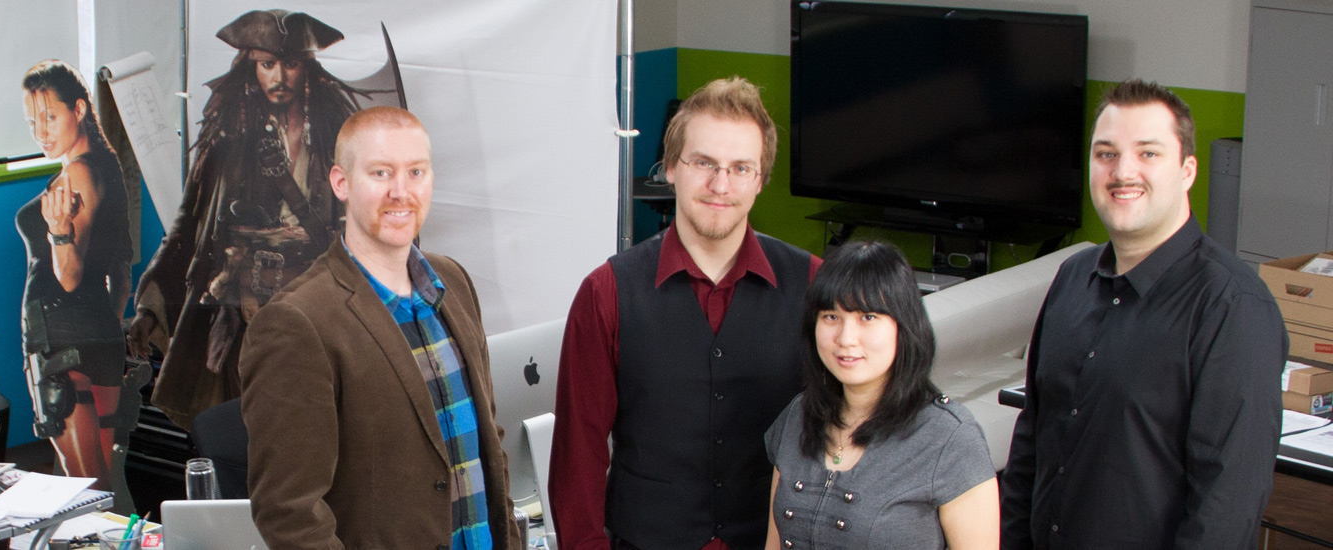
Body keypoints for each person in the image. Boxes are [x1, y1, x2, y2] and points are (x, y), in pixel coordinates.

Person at [1000, 79, 1287, 549]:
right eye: (1106, 154)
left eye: (1148, 153)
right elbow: (1029, 447)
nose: (1122, 171)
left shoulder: (1232, 307)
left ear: (1187, 171)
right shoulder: (1072, 278)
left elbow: (1226, 506)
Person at [550, 76, 823, 550]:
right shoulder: (605, 293)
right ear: (671, 167)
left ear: (760, 180)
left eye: (741, 168)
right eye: (703, 163)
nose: (721, 185)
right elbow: (579, 457)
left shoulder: (815, 285)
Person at [238, 106, 519, 550]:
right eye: (381, 173)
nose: (401, 192)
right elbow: (288, 513)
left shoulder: (454, 283)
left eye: (416, 172)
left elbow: (486, 446)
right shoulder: (297, 322)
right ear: (341, 183)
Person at [127, 9, 363, 429]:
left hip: (318, 310)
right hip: (243, 310)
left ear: (306, 68)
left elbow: (365, 229)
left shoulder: (338, 139)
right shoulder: (228, 141)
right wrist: (151, 306)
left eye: (290, 64)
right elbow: (186, 228)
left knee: (315, 429)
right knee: (242, 433)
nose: (279, 76)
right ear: (251, 67)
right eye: (267, 64)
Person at [764, 241, 997, 549]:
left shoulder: (950, 438)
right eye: (831, 316)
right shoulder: (799, 415)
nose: (846, 338)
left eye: (868, 317)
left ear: (904, 326)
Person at [16, 60, 144, 506]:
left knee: (89, 490)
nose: (41, 132)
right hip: (101, 339)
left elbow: (68, 278)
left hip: (59, 341)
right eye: (32, 122)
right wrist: (102, 326)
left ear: (80, 109)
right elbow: (122, 274)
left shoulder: (77, 175)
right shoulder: (108, 167)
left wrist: (57, 233)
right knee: (106, 483)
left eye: (50, 117)